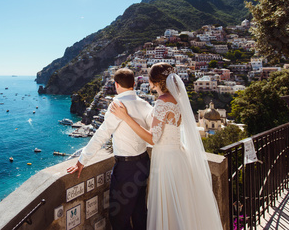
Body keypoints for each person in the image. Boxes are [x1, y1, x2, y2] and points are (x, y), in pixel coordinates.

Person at [109, 63, 223, 230]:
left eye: (149, 77)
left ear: (154, 81)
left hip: (166, 161)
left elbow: (153, 139)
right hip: (179, 156)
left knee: (168, 206)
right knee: (181, 207)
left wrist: (126, 118)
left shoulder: (162, 102)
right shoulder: (177, 100)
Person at [67, 68, 153, 230]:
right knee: (139, 212)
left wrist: (82, 160)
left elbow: (102, 134)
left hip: (126, 167)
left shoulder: (117, 105)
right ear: (134, 84)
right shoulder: (145, 104)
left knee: (118, 218)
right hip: (143, 163)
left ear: (116, 85)